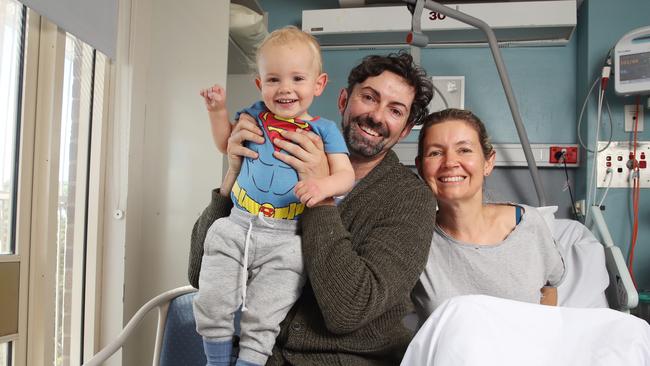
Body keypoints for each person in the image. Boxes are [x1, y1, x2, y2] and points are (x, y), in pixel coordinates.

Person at [188, 51, 436, 365]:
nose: (376, 115)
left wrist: (321, 191)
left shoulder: (410, 199)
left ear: (404, 129)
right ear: (344, 100)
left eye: (395, 110)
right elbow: (199, 272)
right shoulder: (282, 154)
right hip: (260, 356)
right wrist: (234, 172)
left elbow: (349, 311)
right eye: (369, 97)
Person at [193, 26, 355, 366]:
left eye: (298, 78)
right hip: (237, 224)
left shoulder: (323, 130)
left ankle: (250, 361)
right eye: (274, 79)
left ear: (318, 84)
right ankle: (215, 359)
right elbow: (226, 145)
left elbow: (345, 175)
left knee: (265, 314)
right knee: (212, 297)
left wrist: (322, 187)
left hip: (286, 238)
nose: (285, 89)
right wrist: (217, 112)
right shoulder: (254, 115)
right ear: (260, 84)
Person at [410, 108, 566, 325]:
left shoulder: (528, 225)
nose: (450, 162)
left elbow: (549, 286)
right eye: (435, 153)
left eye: (464, 150)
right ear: (420, 167)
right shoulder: (413, 239)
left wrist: (541, 337)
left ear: (488, 162)